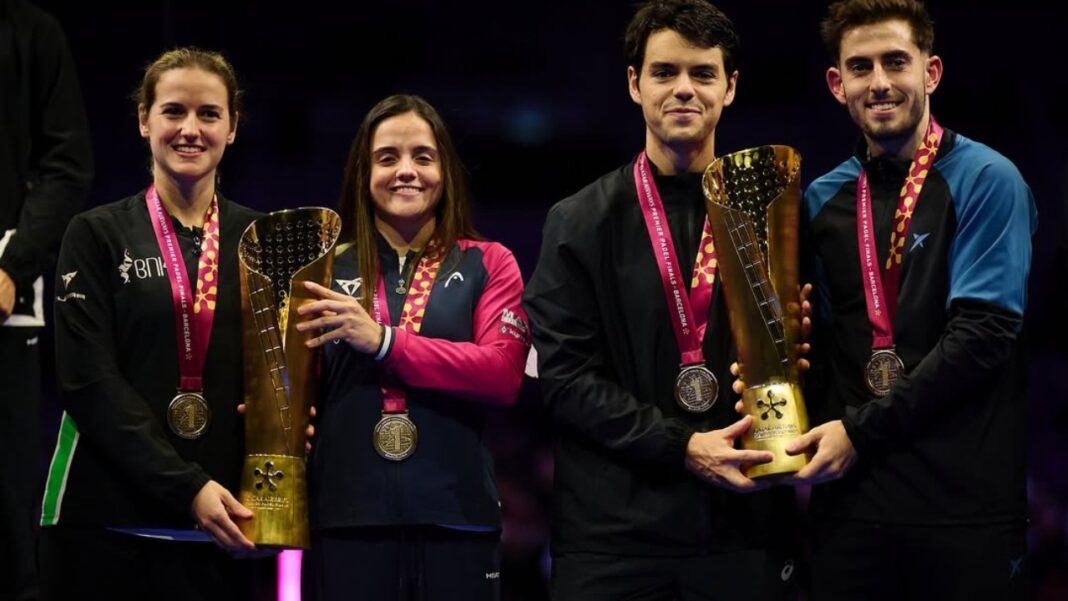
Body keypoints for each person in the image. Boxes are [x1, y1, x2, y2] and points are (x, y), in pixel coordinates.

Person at [522, 1, 798, 598]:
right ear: (633, 83)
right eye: (664, 72)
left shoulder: (769, 214)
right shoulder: (578, 222)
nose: (683, 90)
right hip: (611, 543)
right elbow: (565, 381)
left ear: (730, 89)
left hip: (742, 531)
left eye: (703, 74)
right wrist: (683, 447)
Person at [791, 0, 1037, 598]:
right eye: (860, 66)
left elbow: (982, 338)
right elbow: (818, 352)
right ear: (836, 83)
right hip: (848, 515)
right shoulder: (819, 199)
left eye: (895, 62)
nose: (878, 83)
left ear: (931, 72)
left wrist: (857, 434)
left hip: (963, 515)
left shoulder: (987, 179)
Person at [38, 47, 268, 600]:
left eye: (209, 114)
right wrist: (189, 488)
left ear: (233, 127)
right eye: (173, 112)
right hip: (106, 521)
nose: (190, 129)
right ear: (144, 120)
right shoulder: (94, 234)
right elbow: (88, 385)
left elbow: (280, 375)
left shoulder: (263, 240)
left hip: (226, 529)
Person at [296, 94, 530, 601]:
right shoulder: (321, 270)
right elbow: (294, 385)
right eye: (387, 158)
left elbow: (502, 372)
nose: (406, 171)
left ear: (445, 170)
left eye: (423, 157)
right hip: (346, 518)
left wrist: (383, 342)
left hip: (459, 516)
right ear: (363, 173)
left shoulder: (489, 262)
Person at [0, 2, 93, 599]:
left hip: (4, 304)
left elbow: (66, 164)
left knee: (8, 508)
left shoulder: (30, 32)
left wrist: (12, 266)